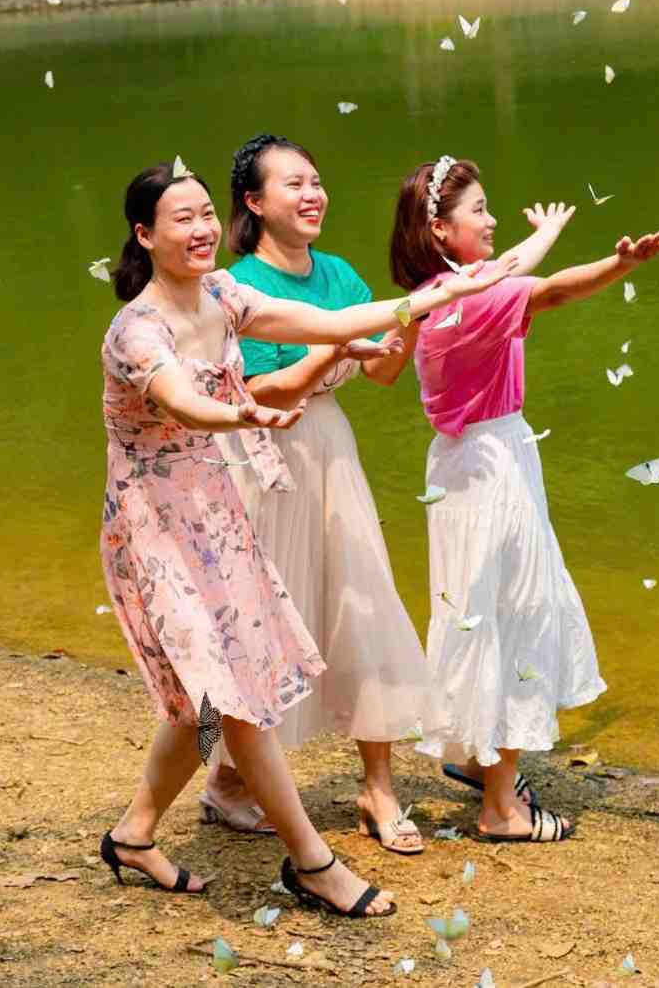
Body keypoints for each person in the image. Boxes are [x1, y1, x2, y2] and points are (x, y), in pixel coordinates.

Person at [96, 157, 505, 917]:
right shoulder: (136, 331)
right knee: (234, 699)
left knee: (201, 700)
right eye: (182, 219)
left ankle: (133, 832)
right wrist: (242, 412)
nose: (201, 229)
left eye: (205, 214)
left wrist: (440, 293)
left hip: (217, 516)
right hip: (157, 533)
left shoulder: (222, 295)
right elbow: (182, 401)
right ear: (145, 235)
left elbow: (330, 324)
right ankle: (314, 862)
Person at [388, 156, 659, 843]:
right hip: (494, 463)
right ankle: (501, 807)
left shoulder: (437, 295)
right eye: (479, 210)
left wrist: (549, 235)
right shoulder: (474, 300)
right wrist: (620, 265)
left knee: (473, 610)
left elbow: (515, 270)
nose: (491, 220)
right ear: (440, 229)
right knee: (517, 612)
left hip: (461, 464)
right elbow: (548, 290)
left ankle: (475, 755)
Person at [196, 135, 432, 854]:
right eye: (293, 183)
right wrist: (334, 347)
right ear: (254, 201)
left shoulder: (338, 274)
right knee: (262, 620)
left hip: (330, 448)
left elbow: (383, 372)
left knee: (365, 599)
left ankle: (379, 788)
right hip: (263, 454)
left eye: (317, 181)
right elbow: (262, 390)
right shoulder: (234, 286)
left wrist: (414, 313)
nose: (312, 194)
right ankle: (225, 780)